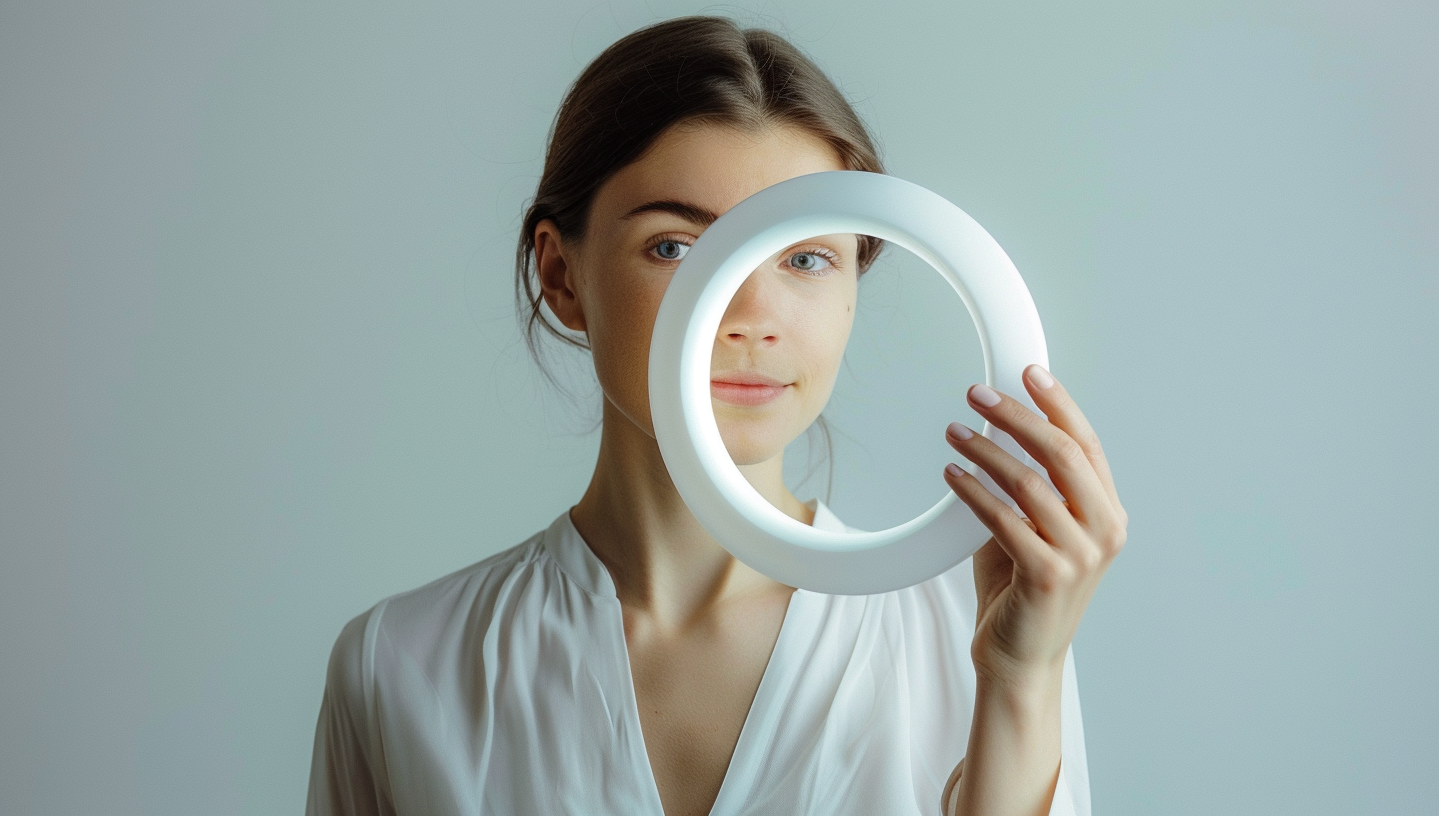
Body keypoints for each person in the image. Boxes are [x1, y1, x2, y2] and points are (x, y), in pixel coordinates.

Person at [306, 15, 1127, 816]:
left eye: (808, 258)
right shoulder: (400, 670)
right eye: (677, 247)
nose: (750, 314)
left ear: (851, 292)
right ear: (562, 277)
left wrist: (1022, 679)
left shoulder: (980, 637)